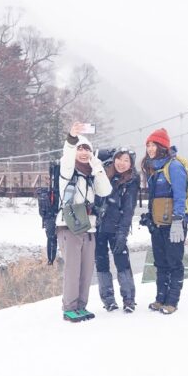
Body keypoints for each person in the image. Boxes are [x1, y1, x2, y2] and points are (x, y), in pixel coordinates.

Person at [57, 122, 112, 322]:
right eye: (80, 149)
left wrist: (98, 169)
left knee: (87, 269)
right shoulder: (67, 172)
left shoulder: (91, 175)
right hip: (69, 226)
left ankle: (81, 306)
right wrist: (72, 137)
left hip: (89, 226)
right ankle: (69, 307)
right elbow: (67, 155)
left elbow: (105, 191)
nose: (83, 152)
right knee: (72, 268)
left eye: (86, 149)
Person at [141, 128, 188, 315]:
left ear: (162, 146)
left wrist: (178, 220)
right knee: (160, 262)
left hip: (174, 224)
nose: (150, 148)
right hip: (158, 224)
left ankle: (172, 301)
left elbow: (180, 195)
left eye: (153, 145)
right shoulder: (154, 168)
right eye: (147, 145)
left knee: (174, 262)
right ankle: (160, 298)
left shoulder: (174, 166)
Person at [94, 147, 140, 313]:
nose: (122, 163)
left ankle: (129, 299)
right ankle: (108, 300)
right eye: (119, 159)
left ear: (131, 164)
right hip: (98, 228)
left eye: (126, 160)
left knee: (122, 263)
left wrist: (123, 232)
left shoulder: (131, 181)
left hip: (116, 228)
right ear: (114, 160)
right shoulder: (103, 174)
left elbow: (128, 210)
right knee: (101, 264)